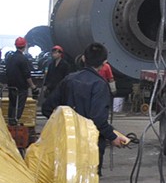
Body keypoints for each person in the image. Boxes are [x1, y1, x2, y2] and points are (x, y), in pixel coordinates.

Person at [56, 42, 129, 170]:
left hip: (67, 143)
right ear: (104, 62)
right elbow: (98, 119)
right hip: (90, 148)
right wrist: (113, 137)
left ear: (84, 58)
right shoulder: (100, 85)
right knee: (87, 179)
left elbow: (48, 108)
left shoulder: (68, 80)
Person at [4, 36, 32, 126]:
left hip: (11, 86)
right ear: (25, 46)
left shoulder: (10, 58)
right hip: (21, 88)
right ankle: (15, 121)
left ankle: (11, 121)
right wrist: (33, 86)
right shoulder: (23, 59)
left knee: (12, 104)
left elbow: (7, 72)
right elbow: (27, 75)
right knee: (19, 106)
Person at [40, 45, 73, 117]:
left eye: (56, 53)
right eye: (53, 53)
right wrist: (46, 85)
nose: (54, 55)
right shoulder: (51, 65)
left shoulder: (65, 65)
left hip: (60, 89)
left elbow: (66, 77)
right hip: (51, 89)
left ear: (60, 54)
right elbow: (48, 76)